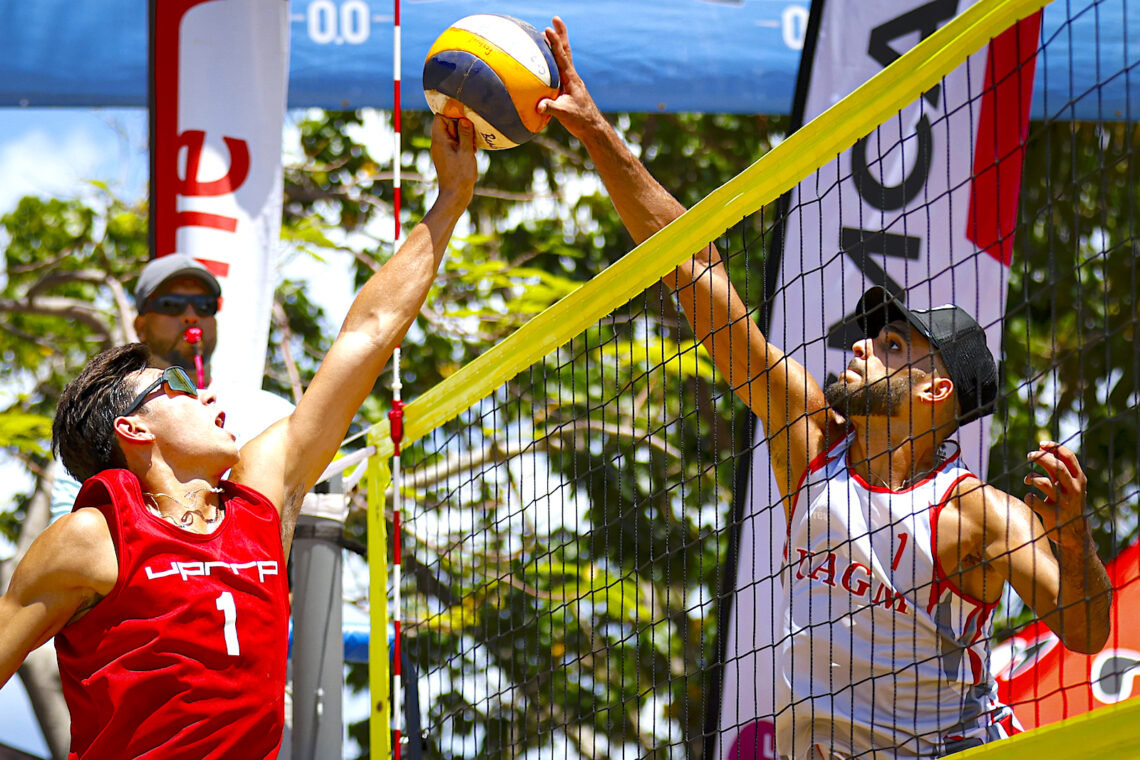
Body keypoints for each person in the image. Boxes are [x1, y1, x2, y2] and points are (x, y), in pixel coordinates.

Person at [537, 17, 1112, 759]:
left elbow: (1087, 629)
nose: (865, 345)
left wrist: (1073, 538)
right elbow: (693, 267)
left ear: (936, 392)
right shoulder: (811, 439)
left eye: (895, 344)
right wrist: (595, 133)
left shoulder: (974, 514)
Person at [0, 115, 476, 759]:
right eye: (176, 388)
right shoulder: (92, 536)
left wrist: (451, 200)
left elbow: (366, 335)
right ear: (133, 428)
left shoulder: (258, 497)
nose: (204, 398)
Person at [49, 253, 296, 521]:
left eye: (204, 306)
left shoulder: (275, 413)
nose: (191, 316)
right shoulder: (107, 417)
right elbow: (73, 527)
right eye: (171, 304)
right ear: (141, 326)